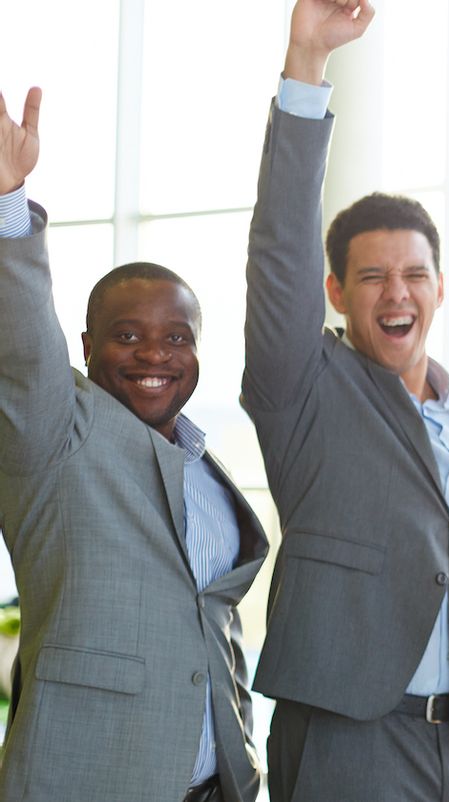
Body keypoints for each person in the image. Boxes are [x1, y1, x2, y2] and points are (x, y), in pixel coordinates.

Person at [241, 2, 449, 799]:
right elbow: (280, 251)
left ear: (440, 289)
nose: (397, 293)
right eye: (373, 277)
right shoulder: (304, 391)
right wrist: (306, 64)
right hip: (348, 747)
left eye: (415, 275)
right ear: (335, 293)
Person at [0, 87, 268, 802]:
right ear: (88, 348)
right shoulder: (55, 437)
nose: (155, 354)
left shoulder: (203, 469)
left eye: (177, 337)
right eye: (128, 335)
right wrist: (8, 201)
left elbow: (212, 628)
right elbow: (23, 341)